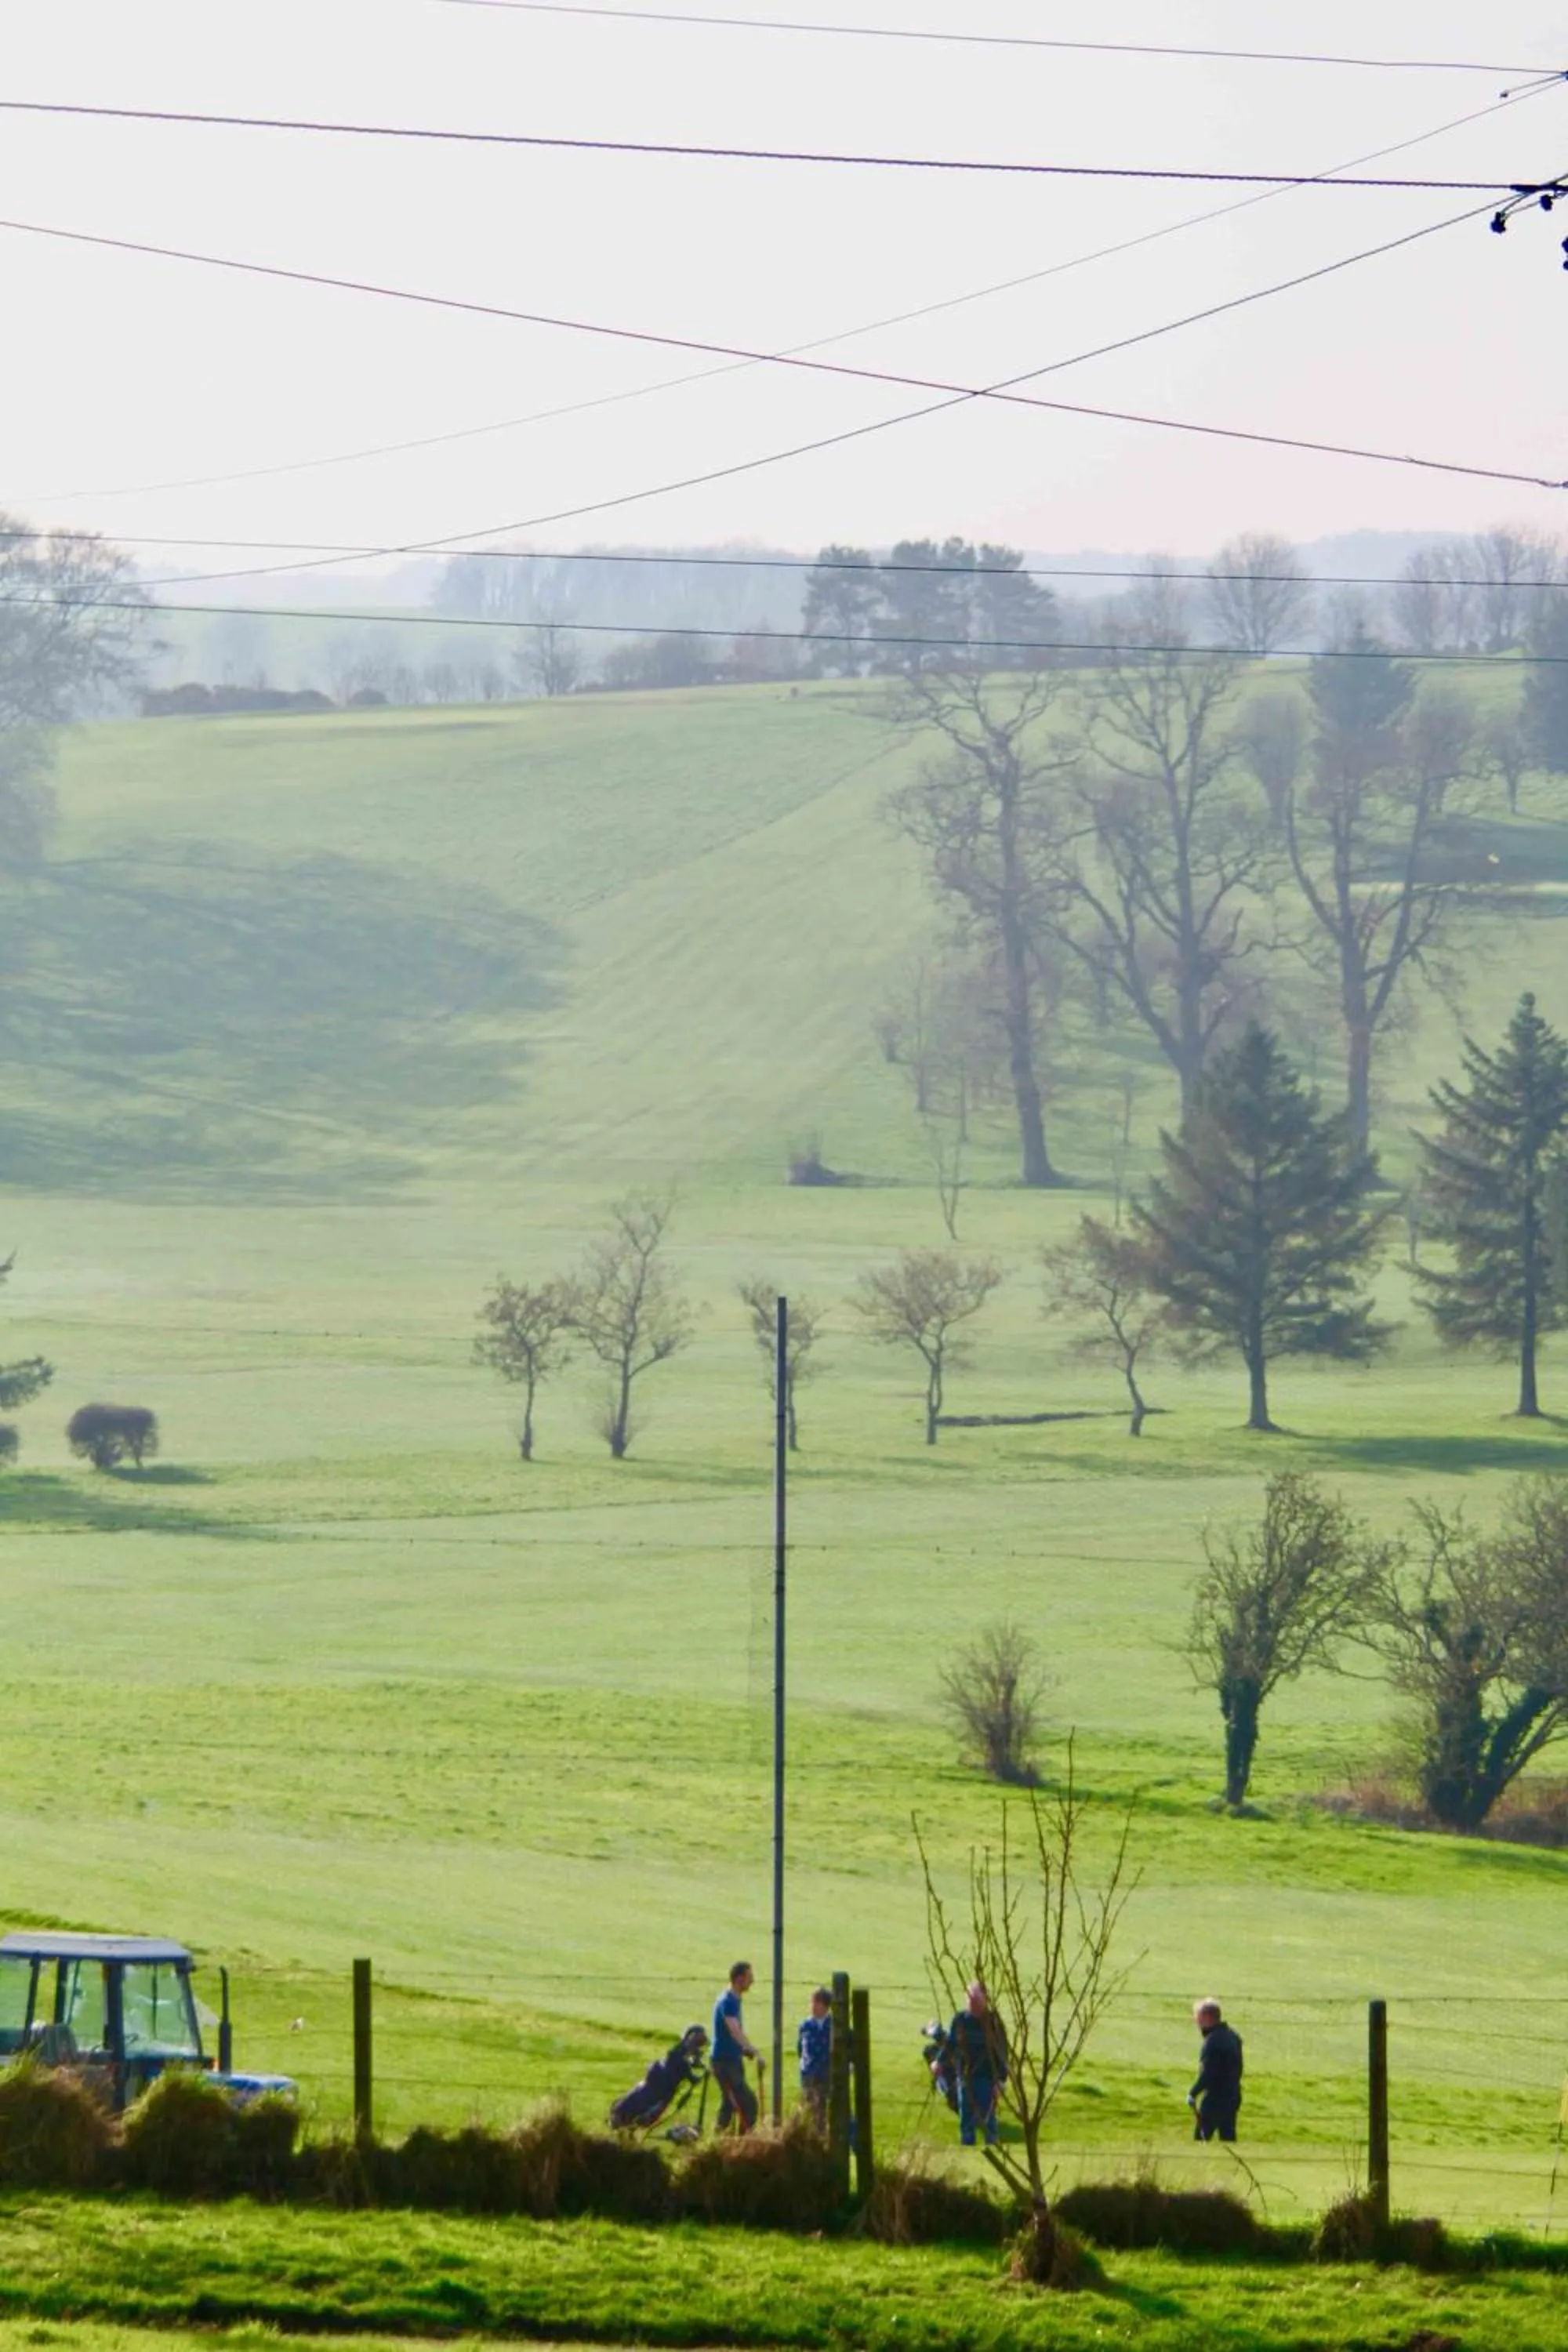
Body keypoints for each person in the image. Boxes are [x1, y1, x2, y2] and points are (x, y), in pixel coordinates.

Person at [948, 1979, 1007, 2148]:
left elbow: (1003, 2053)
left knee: (989, 2118)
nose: (972, 2004)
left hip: (987, 2079)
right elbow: (951, 2045)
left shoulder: (993, 2022)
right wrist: (938, 2061)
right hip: (964, 2077)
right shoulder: (960, 2020)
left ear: (985, 1999)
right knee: (965, 2116)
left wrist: (1001, 2081)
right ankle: (967, 2146)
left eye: (976, 2000)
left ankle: (993, 2147)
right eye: (969, 2000)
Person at [711, 1960, 762, 2134]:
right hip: (724, 2062)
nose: (752, 1981)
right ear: (739, 1979)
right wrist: (752, 2049)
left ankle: (720, 2142)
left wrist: (743, 2050)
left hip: (730, 2059)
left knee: (729, 2103)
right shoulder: (728, 2001)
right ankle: (742, 2143)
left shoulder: (733, 2000)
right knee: (748, 2103)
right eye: (749, 1977)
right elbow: (734, 2030)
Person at [1188, 1998, 1243, 2143]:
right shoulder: (1233, 2036)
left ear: (1207, 2017)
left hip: (1215, 2098)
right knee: (1228, 2137)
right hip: (1233, 2094)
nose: (1196, 2021)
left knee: (1201, 2137)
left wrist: (1193, 2093)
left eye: (1198, 2016)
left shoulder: (1212, 2041)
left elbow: (1208, 2073)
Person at [797, 1986, 832, 2126]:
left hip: (827, 2073)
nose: (813, 2006)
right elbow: (800, 2048)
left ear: (826, 2006)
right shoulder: (805, 2026)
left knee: (827, 2108)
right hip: (809, 2073)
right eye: (812, 2003)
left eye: (817, 2003)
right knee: (811, 2109)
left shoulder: (833, 2025)